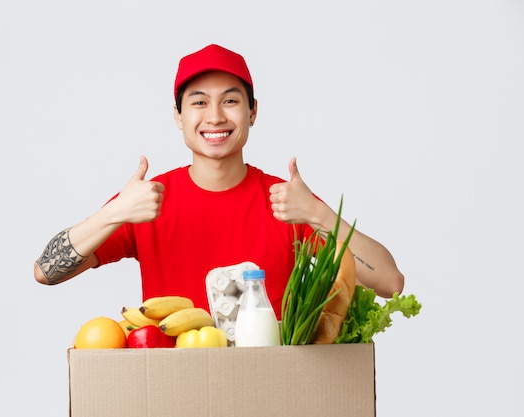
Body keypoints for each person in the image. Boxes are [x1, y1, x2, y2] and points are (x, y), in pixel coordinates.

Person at [33, 44, 404, 318]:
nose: (214, 117)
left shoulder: (286, 201)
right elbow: (45, 272)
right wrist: (114, 213)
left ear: (253, 112)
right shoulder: (148, 200)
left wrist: (319, 215)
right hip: (172, 385)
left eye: (230, 101)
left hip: (274, 388)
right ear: (178, 116)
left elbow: (390, 283)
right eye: (198, 103)